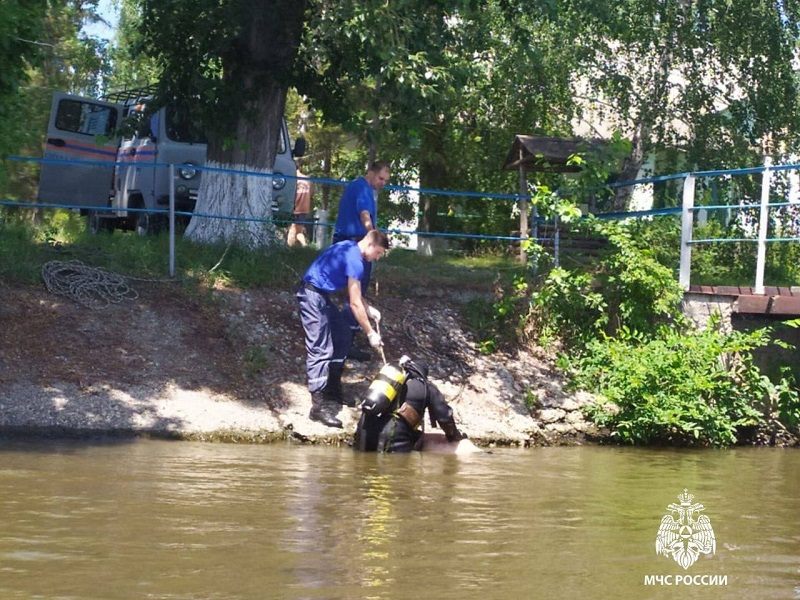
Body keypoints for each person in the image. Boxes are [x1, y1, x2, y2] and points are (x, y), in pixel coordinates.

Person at [297, 229, 391, 428]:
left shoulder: (349, 247)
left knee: (342, 334)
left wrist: (368, 308)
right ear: (371, 244)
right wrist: (370, 333)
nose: (377, 258)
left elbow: (355, 296)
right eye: (378, 253)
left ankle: (333, 390)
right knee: (320, 349)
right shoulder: (356, 261)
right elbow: (354, 303)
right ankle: (317, 408)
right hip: (311, 295)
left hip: (321, 296)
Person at [354, 356, 468, 453]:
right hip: (394, 438)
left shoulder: (387, 383)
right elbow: (445, 417)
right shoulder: (427, 387)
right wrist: (454, 436)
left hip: (363, 433)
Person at [332, 161, 391, 295]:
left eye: (385, 181)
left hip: (343, 240)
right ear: (371, 173)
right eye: (380, 178)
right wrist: (374, 237)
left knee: (345, 287)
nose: (383, 183)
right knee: (358, 288)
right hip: (355, 241)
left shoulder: (355, 185)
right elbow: (364, 215)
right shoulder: (363, 189)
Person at [287, 169, 313, 247]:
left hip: (295, 208)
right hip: (304, 208)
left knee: (292, 229)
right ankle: (303, 246)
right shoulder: (308, 179)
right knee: (298, 231)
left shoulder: (293, 179)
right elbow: (312, 193)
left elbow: (289, 194)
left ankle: (290, 248)